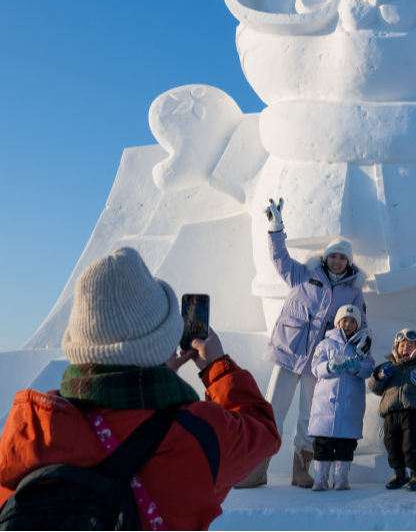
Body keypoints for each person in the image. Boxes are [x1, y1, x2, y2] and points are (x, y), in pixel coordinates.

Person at [0, 247, 280, 531]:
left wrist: (152, 381)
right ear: (162, 344)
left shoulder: (29, 429)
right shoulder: (199, 434)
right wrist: (216, 367)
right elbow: (263, 431)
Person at [238, 197, 369, 488]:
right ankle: (258, 470)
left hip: (320, 364)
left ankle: (301, 471)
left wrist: (362, 343)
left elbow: (361, 324)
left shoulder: (353, 293)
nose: (337, 261)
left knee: (310, 417)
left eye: (342, 258)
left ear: (348, 263)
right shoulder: (304, 275)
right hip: (289, 352)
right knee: (273, 410)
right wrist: (276, 228)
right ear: (326, 258)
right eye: (333, 256)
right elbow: (280, 259)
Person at [307, 305, 375, 491]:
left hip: (349, 409)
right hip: (324, 409)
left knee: (346, 446)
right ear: (337, 322)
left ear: (357, 325)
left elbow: (369, 368)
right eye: (345, 320)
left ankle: (341, 479)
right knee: (322, 445)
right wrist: (329, 366)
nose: (348, 324)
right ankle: (320, 479)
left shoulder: (362, 347)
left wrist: (356, 367)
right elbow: (315, 368)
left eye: (352, 321)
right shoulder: (325, 344)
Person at [368, 328, 416, 492]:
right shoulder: (389, 367)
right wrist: (379, 377)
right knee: (391, 443)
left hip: (414, 412)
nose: (405, 349)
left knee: (412, 443)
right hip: (391, 412)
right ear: (396, 347)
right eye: (402, 346)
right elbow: (374, 387)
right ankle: (399, 474)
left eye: (409, 346)